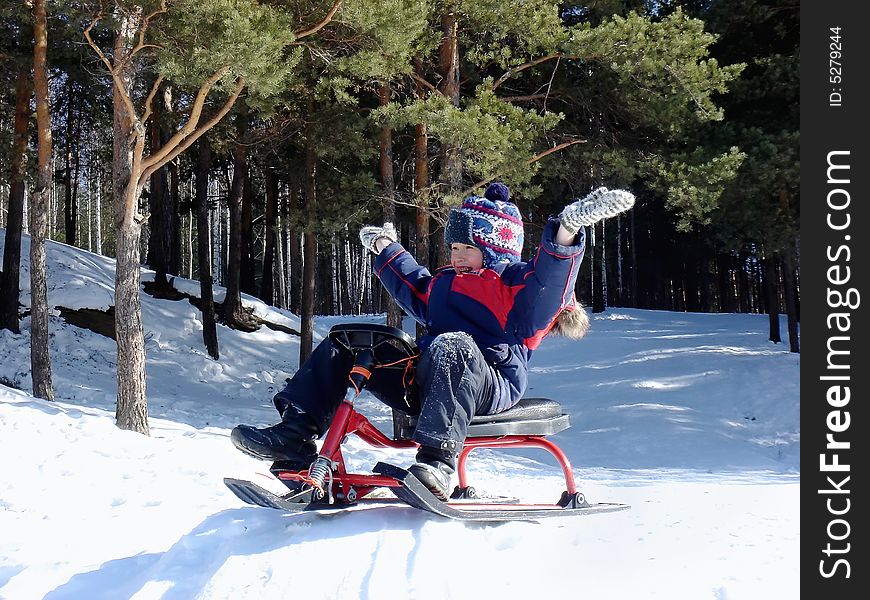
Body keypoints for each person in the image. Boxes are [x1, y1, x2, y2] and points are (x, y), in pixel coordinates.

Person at [231, 182, 635, 500]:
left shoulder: (516, 291)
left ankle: (437, 463)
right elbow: (412, 284)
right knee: (349, 342)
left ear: (494, 250)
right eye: (455, 247)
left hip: (490, 381)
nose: (458, 255)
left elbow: (548, 285)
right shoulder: (443, 284)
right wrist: (385, 247)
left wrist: (566, 230)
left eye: (469, 248)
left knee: (453, 345)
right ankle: (294, 437)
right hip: (430, 377)